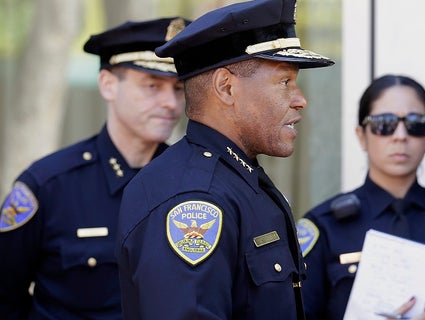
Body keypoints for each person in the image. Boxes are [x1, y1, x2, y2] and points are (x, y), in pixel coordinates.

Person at [114, 0, 334, 319]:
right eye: (285, 82)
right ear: (226, 87)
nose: (300, 100)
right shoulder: (194, 198)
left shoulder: (236, 179)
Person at [0, 17, 189, 319]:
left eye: (178, 88)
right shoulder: (49, 185)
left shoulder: (192, 182)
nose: (170, 103)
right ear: (108, 85)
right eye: (152, 85)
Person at [297, 74, 425, 320]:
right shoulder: (325, 227)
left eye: (415, 123)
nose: (400, 135)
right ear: (361, 135)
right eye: (384, 123)